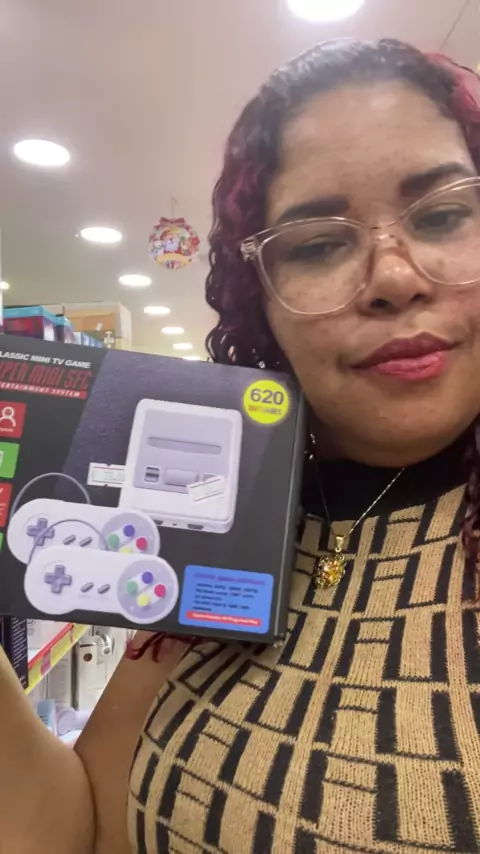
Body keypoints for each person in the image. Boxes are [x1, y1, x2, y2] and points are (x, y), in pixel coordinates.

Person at [2, 37, 480, 854]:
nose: (394, 278)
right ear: (262, 301)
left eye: (441, 215)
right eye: (318, 244)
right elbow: (87, 826)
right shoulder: (233, 523)